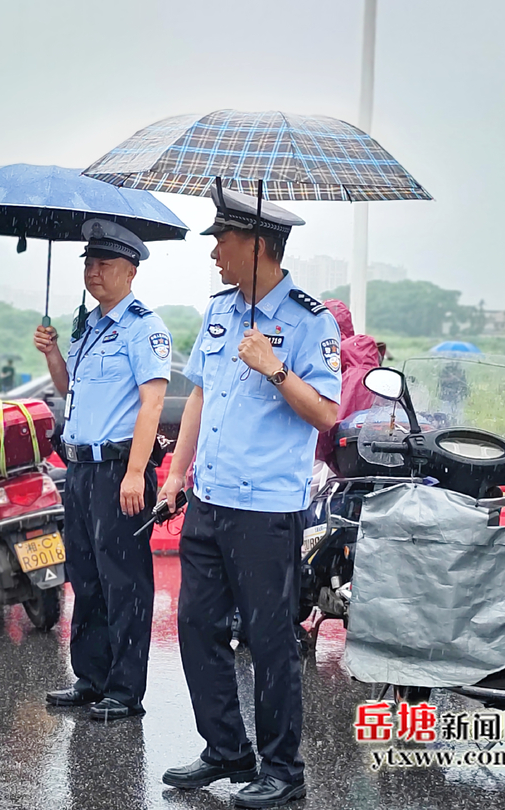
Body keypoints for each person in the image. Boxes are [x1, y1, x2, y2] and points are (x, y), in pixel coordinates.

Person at [159, 188, 341, 808]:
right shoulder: (218, 310)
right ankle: (227, 751)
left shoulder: (310, 320)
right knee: (195, 627)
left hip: (265, 510)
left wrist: (274, 367)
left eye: (222, 239)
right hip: (208, 499)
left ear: (258, 246)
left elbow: (325, 415)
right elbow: (201, 397)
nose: (213, 251)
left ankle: (283, 771)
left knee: (269, 641)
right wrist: (176, 476)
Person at [33, 218, 170, 721]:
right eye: (89, 263)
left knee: (125, 582)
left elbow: (150, 404)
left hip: (119, 471)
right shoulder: (87, 326)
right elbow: (72, 389)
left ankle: (125, 690)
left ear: (130, 272)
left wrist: (136, 473)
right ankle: (90, 678)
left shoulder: (143, 327)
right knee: (85, 576)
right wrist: (52, 355)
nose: (93, 272)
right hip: (81, 471)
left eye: (104, 264)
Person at [314, 299, 381, 475]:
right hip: (367, 453)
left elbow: (332, 423)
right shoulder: (371, 373)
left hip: (337, 457)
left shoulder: (347, 373)